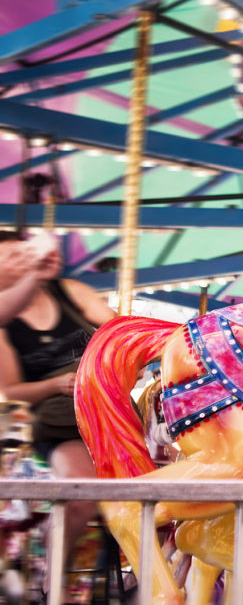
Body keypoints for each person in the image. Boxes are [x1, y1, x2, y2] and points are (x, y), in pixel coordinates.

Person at [0, 231, 116, 588]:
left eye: (22, 254)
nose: (19, 262)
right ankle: (50, 578)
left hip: (104, 408)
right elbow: (10, 391)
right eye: (9, 258)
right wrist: (57, 384)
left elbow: (117, 329)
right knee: (81, 491)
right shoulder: (6, 324)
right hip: (58, 421)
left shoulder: (70, 292)